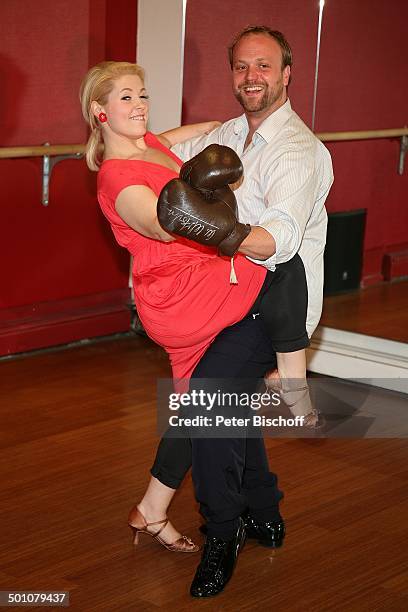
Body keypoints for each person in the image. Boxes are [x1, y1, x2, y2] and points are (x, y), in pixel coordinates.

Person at [78, 36, 329, 596]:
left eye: (143, 94)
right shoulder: (118, 176)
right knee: (214, 403)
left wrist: (232, 121)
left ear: (287, 73)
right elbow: (163, 222)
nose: (140, 104)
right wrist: (237, 235)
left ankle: (216, 511)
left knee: (213, 401)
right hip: (189, 294)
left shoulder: (153, 145)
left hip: (214, 288)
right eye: (126, 98)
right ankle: (224, 530)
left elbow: (176, 138)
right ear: (100, 111)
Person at [166, 25, 333, 597]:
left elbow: (280, 242)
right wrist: (178, 130)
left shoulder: (299, 150)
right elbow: (156, 154)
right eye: (241, 67)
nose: (251, 77)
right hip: (227, 295)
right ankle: (265, 511)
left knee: (211, 400)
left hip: (276, 302)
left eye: (263, 66)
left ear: (287, 74)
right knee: (230, 399)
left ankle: (223, 531)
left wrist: (219, 229)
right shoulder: (228, 134)